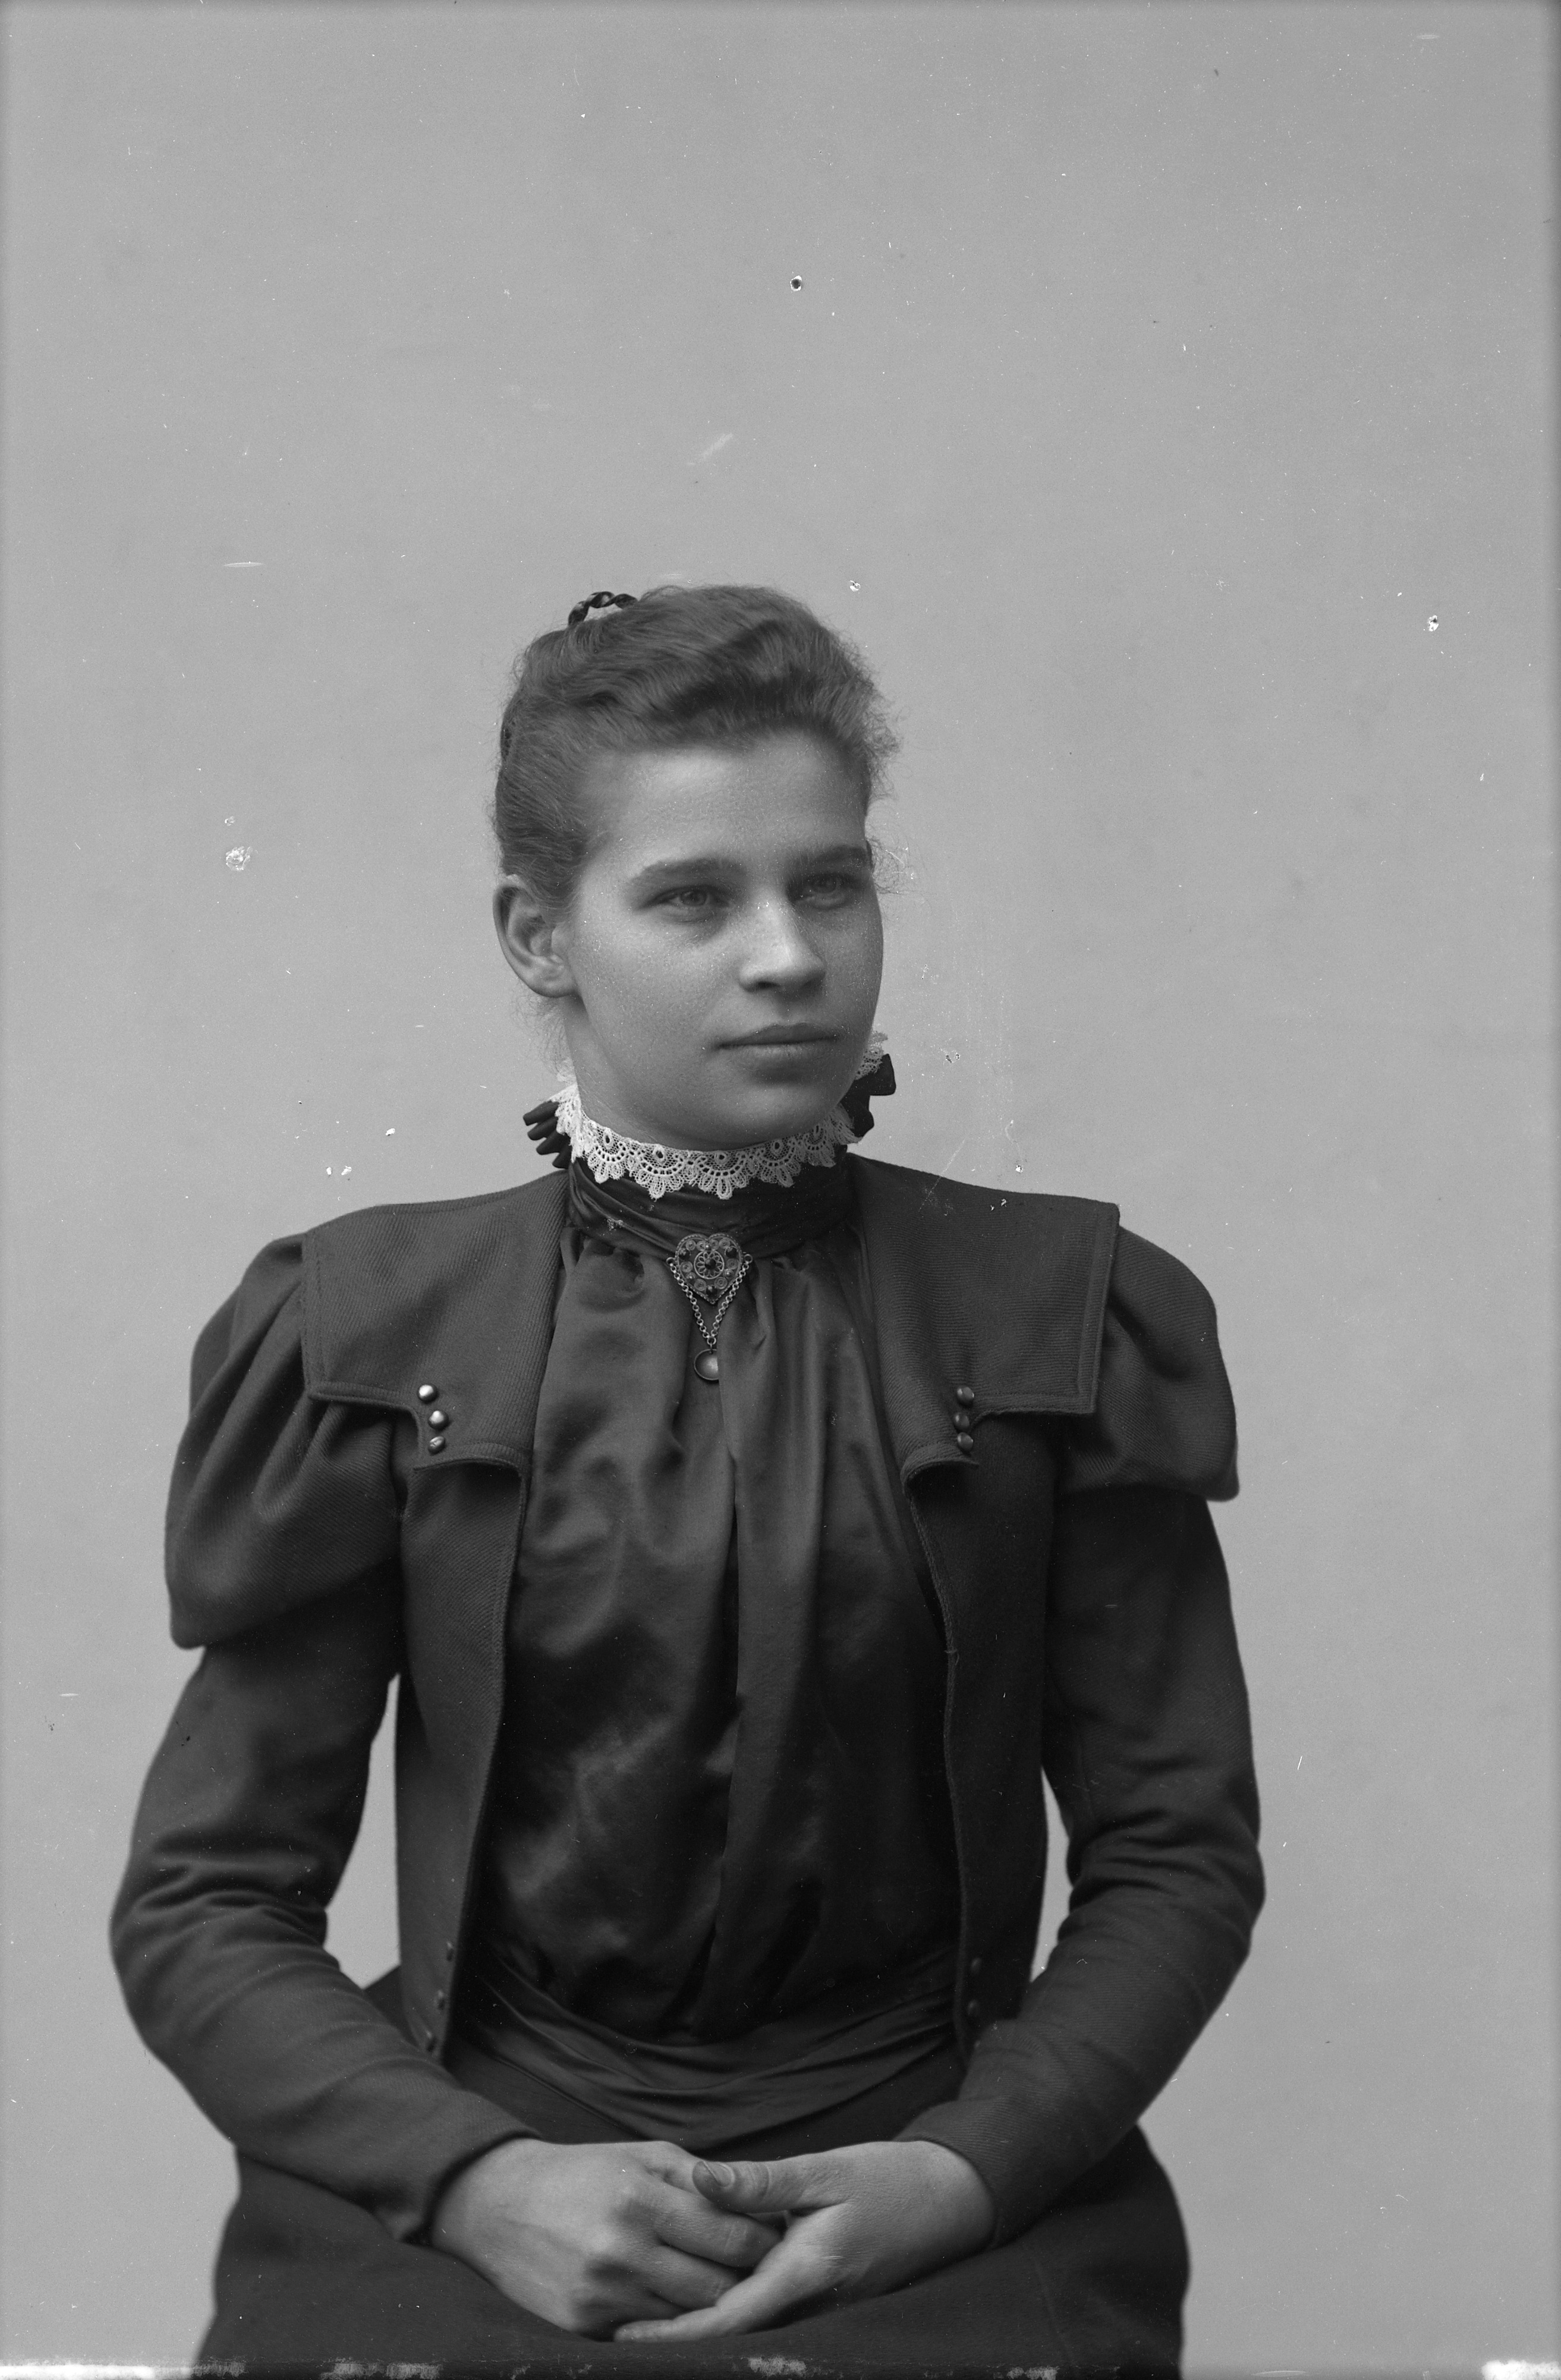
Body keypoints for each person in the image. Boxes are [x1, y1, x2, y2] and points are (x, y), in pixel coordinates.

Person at [111, 583, 1263, 2373]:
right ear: (539, 934)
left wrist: (964, 2172)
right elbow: (205, 1901)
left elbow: (1178, 1851)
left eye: (830, 884)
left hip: (930, 2172)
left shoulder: (1054, 1313)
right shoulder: (373, 1324)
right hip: (485, 2165)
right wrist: (475, 2180)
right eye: (693, 898)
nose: (787, 955)